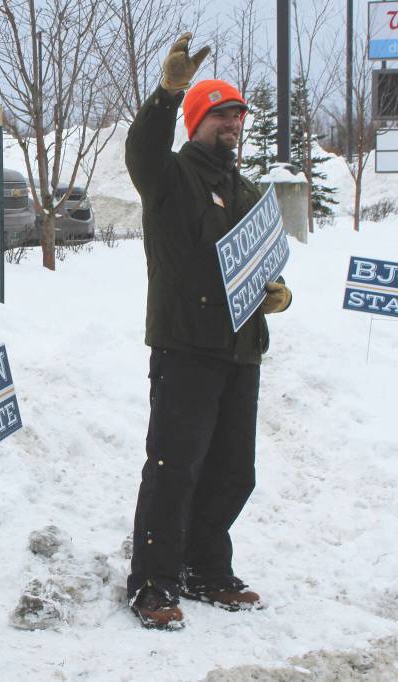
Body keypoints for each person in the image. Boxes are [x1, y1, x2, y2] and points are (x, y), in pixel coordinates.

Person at [123, 33, 293, 630]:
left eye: (238, 115)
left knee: (232, 472)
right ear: (197, 122)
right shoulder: (171, 178)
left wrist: (277, 293)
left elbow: (260, 263)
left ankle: (205, 569)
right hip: (185, 344)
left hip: (241, 349)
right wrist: (168, 94)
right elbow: (142, 150)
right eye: (221, 114)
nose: (233, 123)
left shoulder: (245, 190)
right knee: (175, 468)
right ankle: (152, 582)